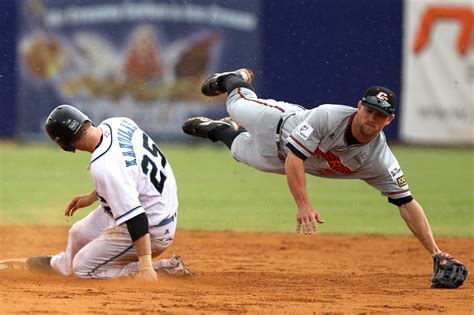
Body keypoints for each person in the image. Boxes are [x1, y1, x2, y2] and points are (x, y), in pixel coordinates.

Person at [182, 68, 468, 288]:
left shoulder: (380, 161)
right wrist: (303, 203)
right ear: (359, 106)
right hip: (278, 123)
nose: (371, 118)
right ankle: (236, 77)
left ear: (389, 120)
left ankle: (217, 130)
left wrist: (436, 252)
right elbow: (297, 157)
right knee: (236, 105)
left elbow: (407, 203)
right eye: (368, 110)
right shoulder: (329, 116)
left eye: (380, 116)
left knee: (238, 151)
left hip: (278, 161)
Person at [25, 105, 191, 281]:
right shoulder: (117, 123)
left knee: (82, 267)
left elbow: (137, 218)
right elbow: (128, 171)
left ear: (64, 142)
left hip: (152, 226)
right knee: (77, 233)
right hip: (156, 201)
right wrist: (92, 196)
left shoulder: (104, 167)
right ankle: (63, 267)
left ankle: (162, 269)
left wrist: (146, 266)